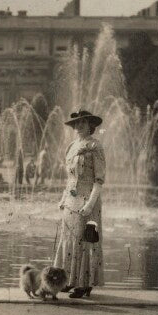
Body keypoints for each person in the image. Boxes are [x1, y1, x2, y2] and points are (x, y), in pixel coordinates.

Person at [54, 110, 106, 299]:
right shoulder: (72, 146)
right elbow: (70, 178)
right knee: (69, 239)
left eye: (83, 122)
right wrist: (63, 199)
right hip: (71, 200)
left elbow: (99, 180)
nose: (79, 126)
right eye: (76, 123)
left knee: (85, 240)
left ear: (90, 125)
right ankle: (68, 279)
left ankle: (85, 284)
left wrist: (90, 204)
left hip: (87, 199)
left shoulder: (95, 146)